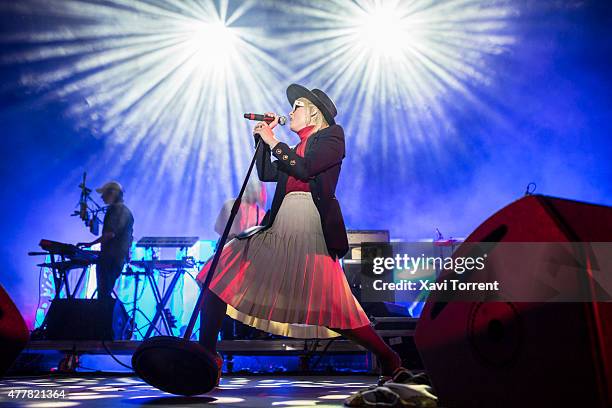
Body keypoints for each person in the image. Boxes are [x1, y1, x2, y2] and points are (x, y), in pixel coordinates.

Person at [196, 84, 402, 380]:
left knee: (334, 306)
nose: (290, 112)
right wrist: (262, 140)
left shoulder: (332, 137)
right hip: (281, 224)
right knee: (219, 271)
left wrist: (273, 141)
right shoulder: (293, 149)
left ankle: (388, 356)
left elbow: (305, 170)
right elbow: (268, 173)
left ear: (314, 114)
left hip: (309, 223)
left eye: (297, 108)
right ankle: (206, 354)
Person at [78, 181, 134, 300]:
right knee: (105, 293)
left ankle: (102, 317)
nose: (102, 197)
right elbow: (128, 237)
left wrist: (90, 244)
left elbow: (110, 234)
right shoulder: (127, 212)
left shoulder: (115, 210)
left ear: (113, 193)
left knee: (103, 295)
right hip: (118, 259)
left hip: (109, 259)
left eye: (104, 193)